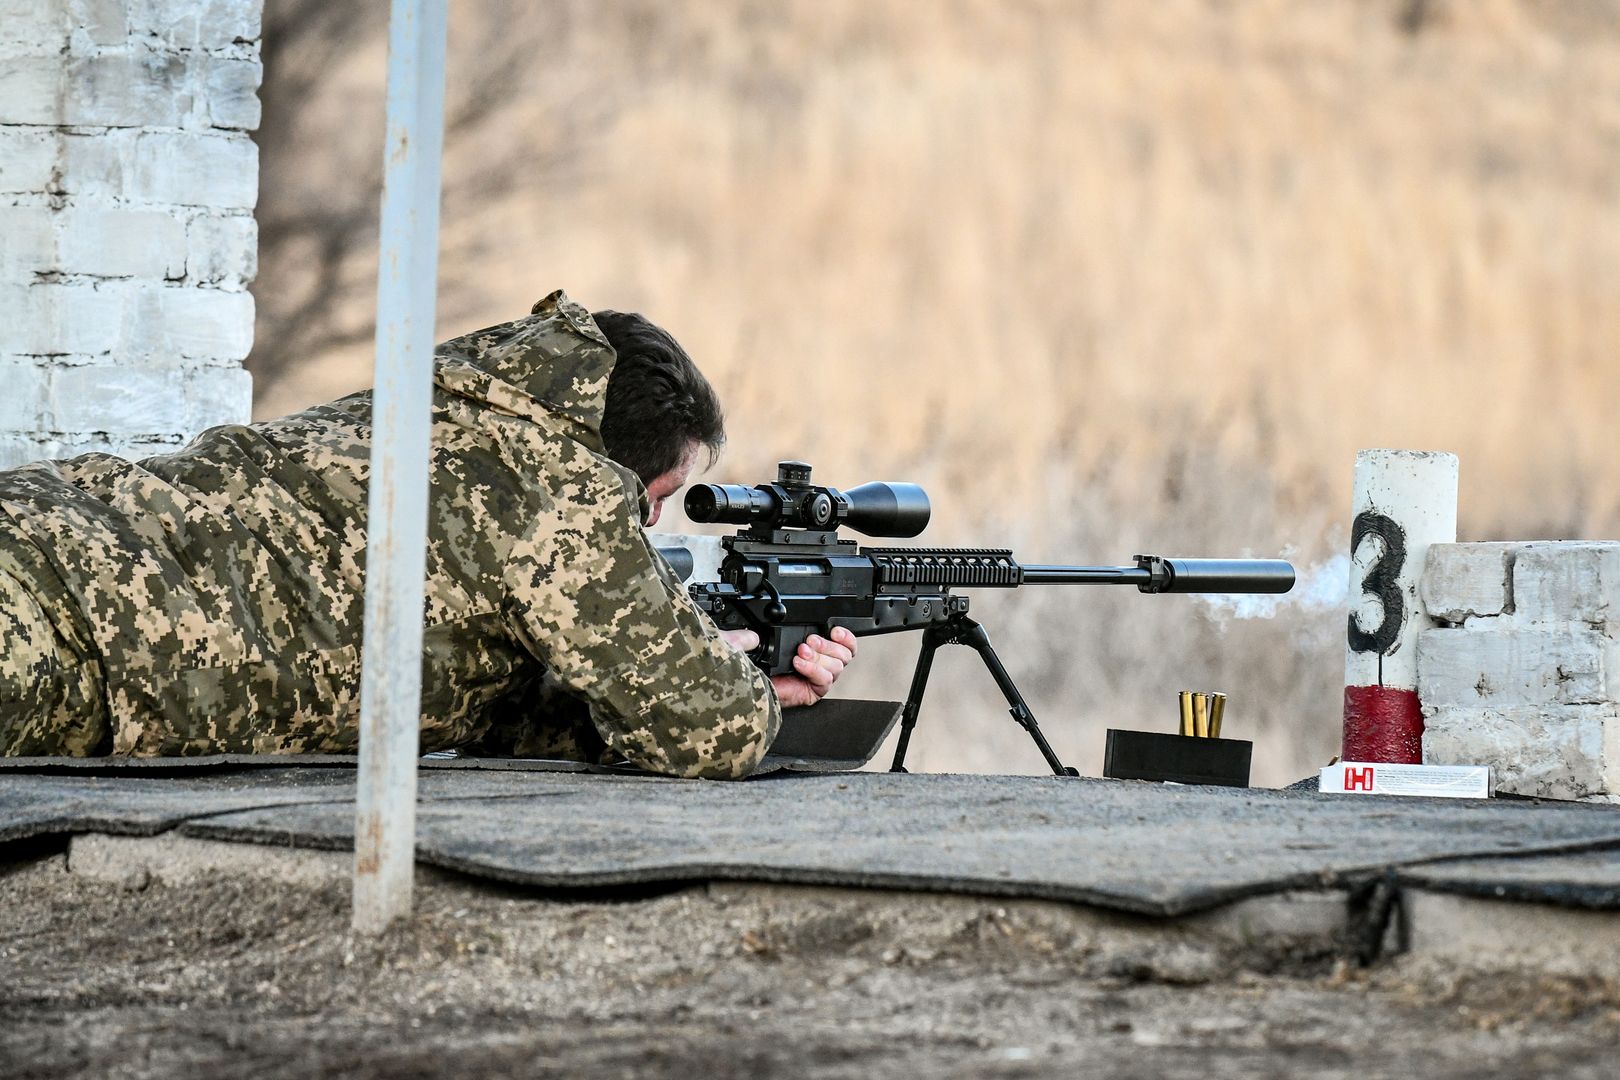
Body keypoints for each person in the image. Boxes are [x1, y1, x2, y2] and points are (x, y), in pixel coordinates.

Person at [0, 290, 856, 778]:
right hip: (61, 630)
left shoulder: (449, 406)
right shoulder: (557, 488)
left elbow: (474, 692)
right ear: (611, 473)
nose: (650, 526)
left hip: (45, 531)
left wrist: (623, 694)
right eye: (650, 502)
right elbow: (709, 730)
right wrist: (754, 693)